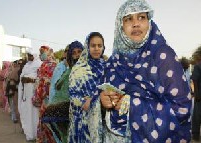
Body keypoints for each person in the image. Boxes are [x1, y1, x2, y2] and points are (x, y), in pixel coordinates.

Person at [99, 0, 191, 142]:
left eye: (141, 17)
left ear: (149, 22)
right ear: (120, 26)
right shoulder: (112, 62)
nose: (135, 23)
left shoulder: (163, 56)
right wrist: (103, 101)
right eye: (128, 18)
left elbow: (181, 108)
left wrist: (132, 105)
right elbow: (99, 98)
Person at [40, 41, 83, 143]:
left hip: (77, 112)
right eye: (73, 53)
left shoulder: (85, 69)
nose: (77, 55)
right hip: (62, 112)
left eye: (79, 52)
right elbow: (57, 85)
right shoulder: (68, 70)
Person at [68, 32, 105, 143]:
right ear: (87, 47)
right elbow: (72, 94)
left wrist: (96, 99)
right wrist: (84, 101)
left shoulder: (107, 67)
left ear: (103, 47)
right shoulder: (78, 69)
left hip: (102, 117)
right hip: (82, 118)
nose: (96, 49)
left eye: (100, 46)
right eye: (93, 45)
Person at [18, 49, 42, 141]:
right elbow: (22, 77)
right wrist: (23, 79)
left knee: (34, 114)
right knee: (26, 112)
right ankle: (28, 132)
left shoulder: (39, 64)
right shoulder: (26, 65)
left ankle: (35, 134)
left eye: (31, 55)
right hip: (26, 95)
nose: (29, 57)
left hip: (34, 95)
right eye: (28, 55)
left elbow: (41, 78)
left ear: (35, 55)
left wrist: (30, 80)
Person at [191, 46, 201, 141]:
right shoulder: (198, 66)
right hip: (200, 96)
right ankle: (196, 135)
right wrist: (197, 94)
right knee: (197, 116)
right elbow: (195, 79)